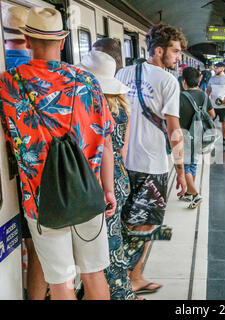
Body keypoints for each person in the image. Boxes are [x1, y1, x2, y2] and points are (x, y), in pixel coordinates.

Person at [0, 7, 115, 300]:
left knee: (61, 280)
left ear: (27, 40)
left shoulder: (8, 85)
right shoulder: (87, 81)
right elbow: (106, 140)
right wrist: (109, 190)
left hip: (41, 200)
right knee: (93, 274)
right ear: (62, 41)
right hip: (88, 192)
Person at [115, 23, 187, 295]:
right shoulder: (168, 81)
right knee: (146, 226)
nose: (178, 57)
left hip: (122, 164)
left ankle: (126, 275)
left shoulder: (122, 73)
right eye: (175, 51)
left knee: (125, 224)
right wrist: (180, 170)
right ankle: (132, 279)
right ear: (159, 51)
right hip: (151, 165)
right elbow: (174, 132)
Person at [78, 50, 139, 300]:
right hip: (118, 178)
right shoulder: (122, 106)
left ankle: (118, 294)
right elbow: (122, 150)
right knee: (113, 243)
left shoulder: (88, 105)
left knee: (105, 249)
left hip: (101, 184)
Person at [2, 4, 48, 300]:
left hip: (15, 169)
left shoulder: (7, 72)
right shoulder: (44, 70)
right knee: (41, 249)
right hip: (41, 175)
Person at [178, 67, 215, 208]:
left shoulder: (180, 96)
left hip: (184, 134)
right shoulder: (203, 95)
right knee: (192, 164)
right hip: (200, 134)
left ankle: (195, 194)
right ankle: (188, 192)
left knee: (185, 166)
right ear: (198, 80)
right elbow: (212, 115)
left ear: (184, 81)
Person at [206, 62, 225, 146]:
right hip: (213, 105)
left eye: (217, 68)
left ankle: (224, 139)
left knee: (224, 122)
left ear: (222, 69)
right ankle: (215, 134)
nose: (215, 69)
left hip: (224, 105)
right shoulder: (212, 79)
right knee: (210, 120)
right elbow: (208, 90)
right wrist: (205, 100)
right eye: (215, 67)